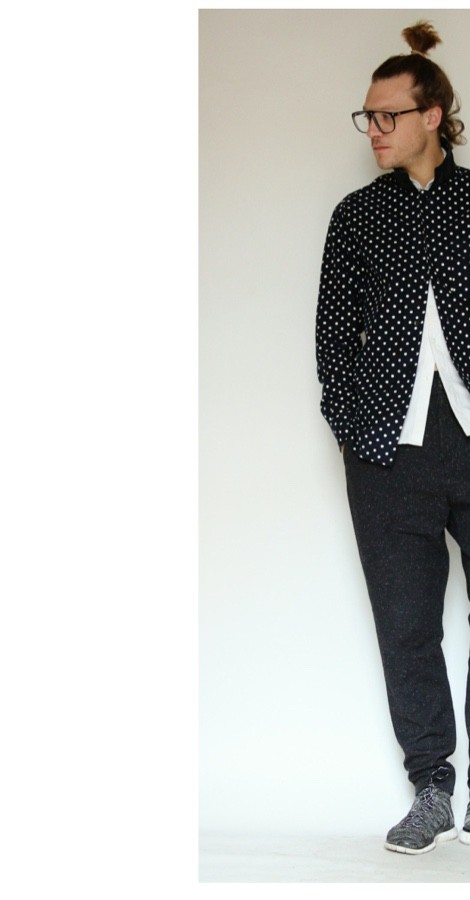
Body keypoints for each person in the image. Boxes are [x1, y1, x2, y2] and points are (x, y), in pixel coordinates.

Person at [316, 20, 470, 854]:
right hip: (386, 454)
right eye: (367, 117)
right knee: (407, 626)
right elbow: (332, 340)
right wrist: (352, 429)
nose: (373, 129)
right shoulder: (357, 217)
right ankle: (432, 789)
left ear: (432, 115)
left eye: (387, 115)